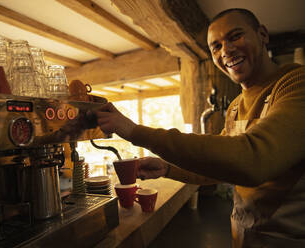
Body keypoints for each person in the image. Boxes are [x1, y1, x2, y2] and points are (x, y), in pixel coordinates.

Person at [95, 8, 305, 248]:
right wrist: (167, 168)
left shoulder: (295, 84)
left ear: (262, 35)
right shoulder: (236, 105)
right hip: (244, 236)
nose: (226, 51)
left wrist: (135, 132)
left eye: (235, 36)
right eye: (216, 46)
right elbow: (220, 167)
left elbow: (253, 159)